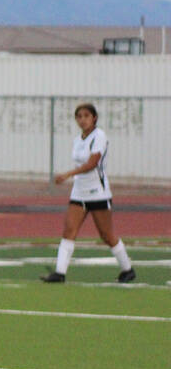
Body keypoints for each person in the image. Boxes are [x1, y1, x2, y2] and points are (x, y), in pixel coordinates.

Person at [42, 102, 135, 283]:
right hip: (79, 192)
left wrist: (68, 174)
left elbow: (92, 164)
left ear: (94, 118)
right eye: (79, 116)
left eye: (86, 116)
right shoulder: (78, 140)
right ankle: (60, 273)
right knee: (69, 230)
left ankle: (128, 269)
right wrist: (73, 177)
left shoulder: (99, 136)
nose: (83, 120)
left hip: (98, 192)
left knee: (107, 235)